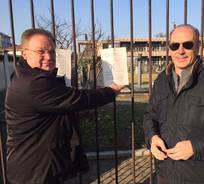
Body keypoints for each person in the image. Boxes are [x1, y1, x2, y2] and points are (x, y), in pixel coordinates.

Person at [5, 28, 122, 184]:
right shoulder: (34, 84)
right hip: (35, 170)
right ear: (24, 53)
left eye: (52, 52)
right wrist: (111, 91)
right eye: (41, 52)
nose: (48, 57)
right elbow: (79, 99)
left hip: (32, 164)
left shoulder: (23, 74)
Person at [143, 24, 204, 184]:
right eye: (175, 45)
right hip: (164, 173)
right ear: (169, 49)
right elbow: (150, 117)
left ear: (198, 47)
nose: (180, 51)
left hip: (199, 177)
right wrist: (152, 138)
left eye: (187, 45)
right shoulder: (161, 81)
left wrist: (194, 147)